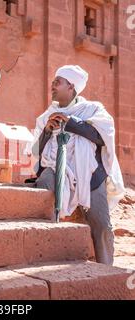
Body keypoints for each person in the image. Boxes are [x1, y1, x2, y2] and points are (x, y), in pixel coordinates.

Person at [28, 65, 125, 265]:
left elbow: (102, 138)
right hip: (56, 170)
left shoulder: (93, 110)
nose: (52, 86)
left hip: (90, 176)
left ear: (71, 86)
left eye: (58, 82)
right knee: (45, 182)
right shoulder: (47, 115)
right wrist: (47, 131)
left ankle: (106, 269)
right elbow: (36, 151)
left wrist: (73, 123)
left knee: (102, 226)